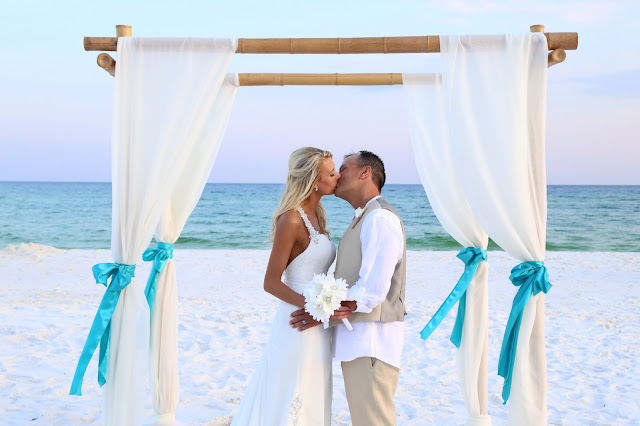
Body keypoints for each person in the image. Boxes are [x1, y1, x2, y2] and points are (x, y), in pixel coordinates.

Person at [231, 147, 350, 426]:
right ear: (314, 180)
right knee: (292, 387)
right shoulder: (292, 219)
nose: (338, 176)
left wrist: (324, 310)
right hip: (298, 320)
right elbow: (270, 282)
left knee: (313, 386)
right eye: (331, 173)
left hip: (316, 320)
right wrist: (317, 308)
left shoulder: (318, 215)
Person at [291, 151, 406, 426]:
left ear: (365, 173)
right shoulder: (365, 217)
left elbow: (372, 291)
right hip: (361, 342)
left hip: (371, 342)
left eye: (344, 168)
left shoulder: (379, 218)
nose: (338, 175)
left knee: (372, 420)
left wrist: (321, 313)